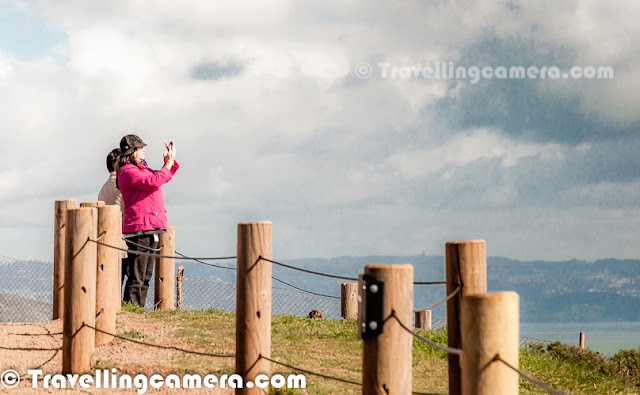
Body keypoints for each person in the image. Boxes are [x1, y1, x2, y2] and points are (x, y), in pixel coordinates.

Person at [115, 134, 179, 307]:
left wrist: (169, 163)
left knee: (145, 275)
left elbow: (160, 177)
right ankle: (132, 308)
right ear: (132, 151)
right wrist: (167, 165)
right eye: (140, 147)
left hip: (148, 226)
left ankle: (137, 308)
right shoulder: (127, 171)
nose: (144, 150)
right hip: (139, 228)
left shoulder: (139, 169)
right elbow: (154, 180)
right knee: (137, 274)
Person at [98, 148, 128, 286]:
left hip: (105, 240)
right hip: (123, 241)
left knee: (112, 281)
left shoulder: (103, 188)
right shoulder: (122, 186)